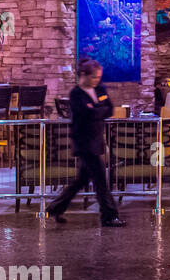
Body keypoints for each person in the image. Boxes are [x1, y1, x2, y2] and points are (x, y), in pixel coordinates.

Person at [46, 59, 124, 227]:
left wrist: (94, 110)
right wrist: (97, 111)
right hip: (83, 143)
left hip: (96, 140)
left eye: (98, 77)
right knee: (101, 179)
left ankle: (55, 208)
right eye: (94, 77)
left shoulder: (100, 89)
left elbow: (109, 109)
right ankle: (109, 215)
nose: (97, 80)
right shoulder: (76, 94)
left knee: (81, 180)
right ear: (84, 75)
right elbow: (84, 114)